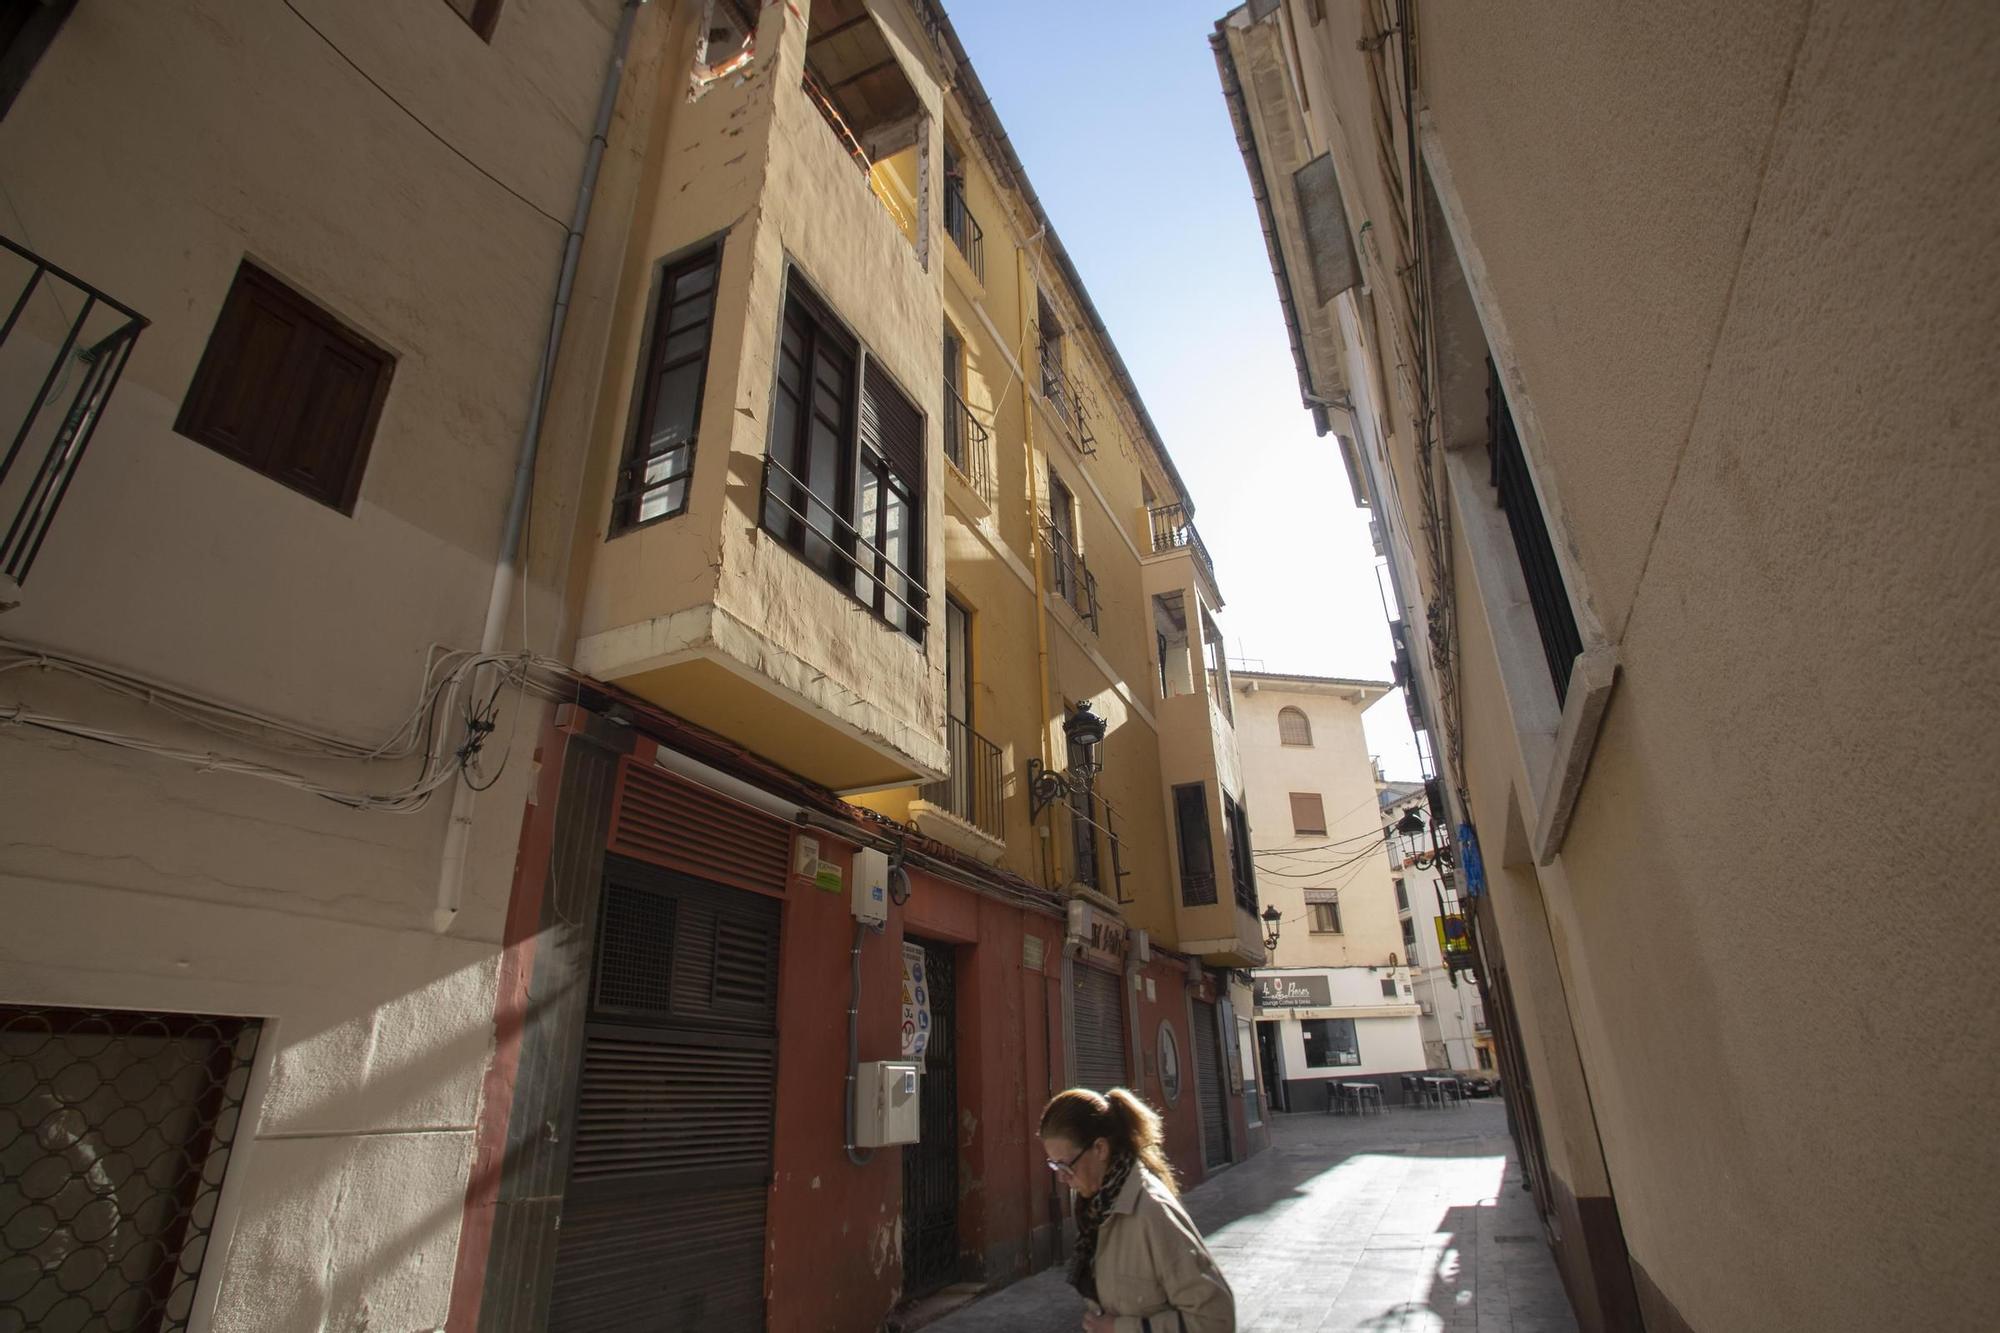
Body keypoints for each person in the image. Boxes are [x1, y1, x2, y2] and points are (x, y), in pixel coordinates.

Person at [1040, 1087, 1236, 1333]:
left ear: (1100, 1149)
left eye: (1066, 1166)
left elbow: (1215, 1320)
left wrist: (1119, 1328)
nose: (1062, 1178)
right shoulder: (1097, 1210)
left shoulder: (1151, 1212)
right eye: (1054, 1165)